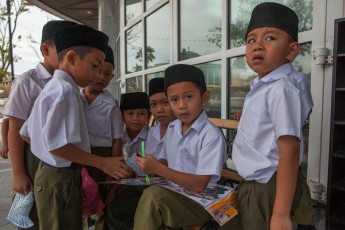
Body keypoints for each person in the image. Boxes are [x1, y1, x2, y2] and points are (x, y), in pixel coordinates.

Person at [19, 24, 131, 230]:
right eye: (95, 66)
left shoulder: (53, 87)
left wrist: (46, 157)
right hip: (61, 179)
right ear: (71, 58)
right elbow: (57, 146)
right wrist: (102, 163)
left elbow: (27, 133)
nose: (98, 75)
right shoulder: (66, 92)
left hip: (50, 175)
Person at [229, 2, 314, 230]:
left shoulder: (281, 89)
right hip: (257, 183)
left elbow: (290, 151)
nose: (257, 46)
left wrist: (280, 214)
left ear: (291, 51)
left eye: (269, 38)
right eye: (251, 40)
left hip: (268, 186)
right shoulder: (267, 85)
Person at [133, 64, 228, 229]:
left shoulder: (210, 135)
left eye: (189, 97)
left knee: (154, 197)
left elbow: (199, 184)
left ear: (204, 97)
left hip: (203, 203)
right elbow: (165, 161)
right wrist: (149, 165)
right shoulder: (172, 128)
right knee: (143, 194)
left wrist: (159, 169)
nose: (182, 105)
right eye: (174, 100)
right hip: (177, 194)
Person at [2, 20, 76, 230]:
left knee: (52, 213)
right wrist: (18, 173)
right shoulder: (27, 82)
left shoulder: (67, 83)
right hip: (31, 157)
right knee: (32, 213)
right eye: (64, 50)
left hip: (57, 160)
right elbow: (15, 129)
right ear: (45, 49)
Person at [106, 91, 151, 230]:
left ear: (148, 115)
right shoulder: (117, 137)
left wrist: (115, 187)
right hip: (120, 181)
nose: (136, 118)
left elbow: (143, 171)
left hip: (143, 184)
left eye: (142, 113)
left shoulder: (153, 136)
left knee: (119, 205)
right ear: (122, 116)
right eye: (130, 113)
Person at [81, 45, 124, 185]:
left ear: (111, 77)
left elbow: (117, 139)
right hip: (78, 155)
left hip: (103, 155)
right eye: (98, 71)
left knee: (98, 193)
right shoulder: (74, 98)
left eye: (107, 74)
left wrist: (114, 169)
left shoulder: (111, 105)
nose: (101, 78)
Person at [145, 77, 176, 158]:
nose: (159, 110)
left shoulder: (183, 132)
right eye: (154, 104)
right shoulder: (152, 131)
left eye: (165, 102)